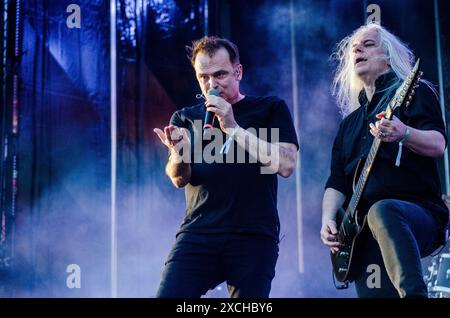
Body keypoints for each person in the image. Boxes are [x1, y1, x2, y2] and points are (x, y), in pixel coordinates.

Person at [153, 36, 298, 298]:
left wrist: (232, 127)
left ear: (238, 71)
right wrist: (178, 154)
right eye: (203, 77)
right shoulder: (186, 117)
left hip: (253, 235)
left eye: (219, 74)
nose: (211, 84)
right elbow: (178, 178)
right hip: (199, 232)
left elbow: (286, 165)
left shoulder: (269, 108)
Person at [320, 23, 448, 298]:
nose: (358, 49)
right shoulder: (349, 125)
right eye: (355, 47)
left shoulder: (412, 93)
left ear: (388, 56)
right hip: (361, 235)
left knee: (384, 210)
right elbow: (337, 181)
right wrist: (328, 219)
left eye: (368, 44)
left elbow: (438, 145)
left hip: (416, 215)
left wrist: (404, 133)